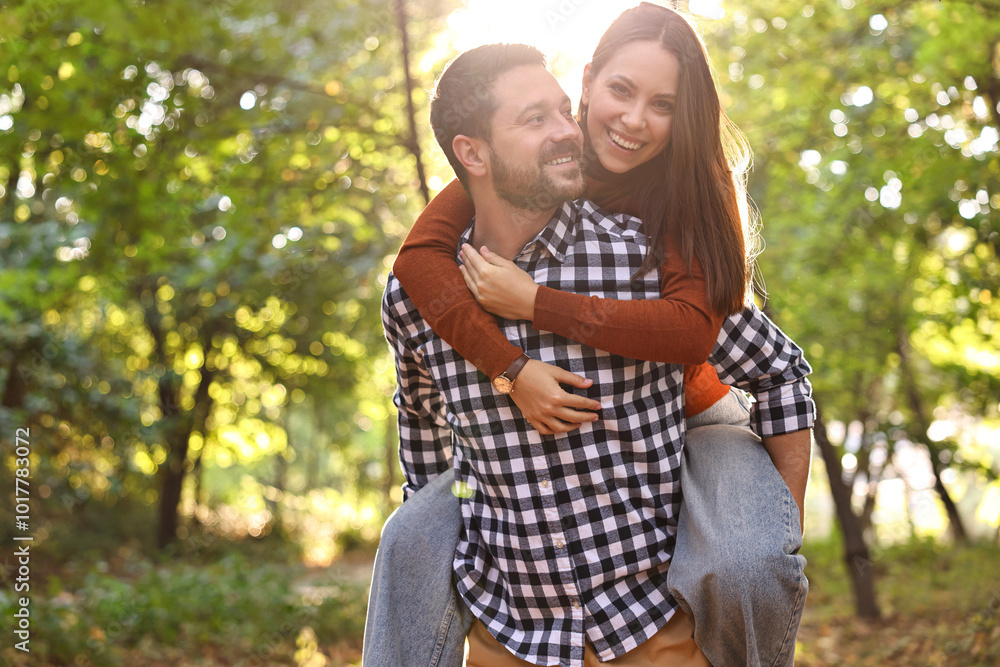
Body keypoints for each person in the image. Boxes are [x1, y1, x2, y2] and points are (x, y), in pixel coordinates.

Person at [373, 30, 812, 667]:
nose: (631, 121)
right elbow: (416, 384)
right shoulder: (428, 280)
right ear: (588, 86)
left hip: (698, 438)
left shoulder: (657, 240)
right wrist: (511, 370)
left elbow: (725, 345)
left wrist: (779, 531)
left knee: (748, 561)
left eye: (662, 105)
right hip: (516, 632)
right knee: (411, 534)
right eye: (619, 93)